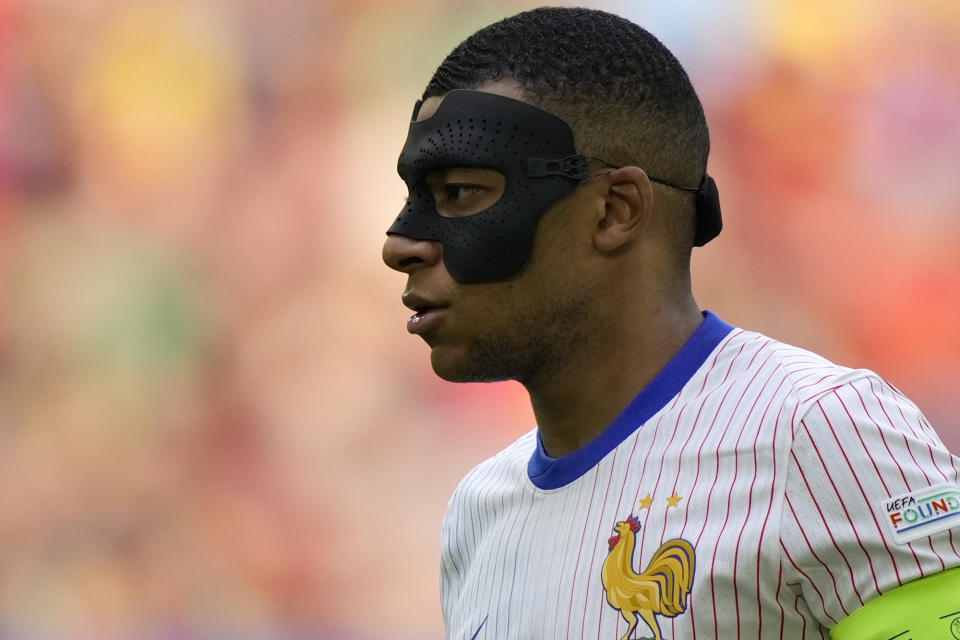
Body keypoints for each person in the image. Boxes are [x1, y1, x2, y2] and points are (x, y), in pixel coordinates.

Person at [381, 7, 960, 639]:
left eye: (461, 192)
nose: (400, 244)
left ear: (614, 210)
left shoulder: (820, 432)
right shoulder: (478, 512)